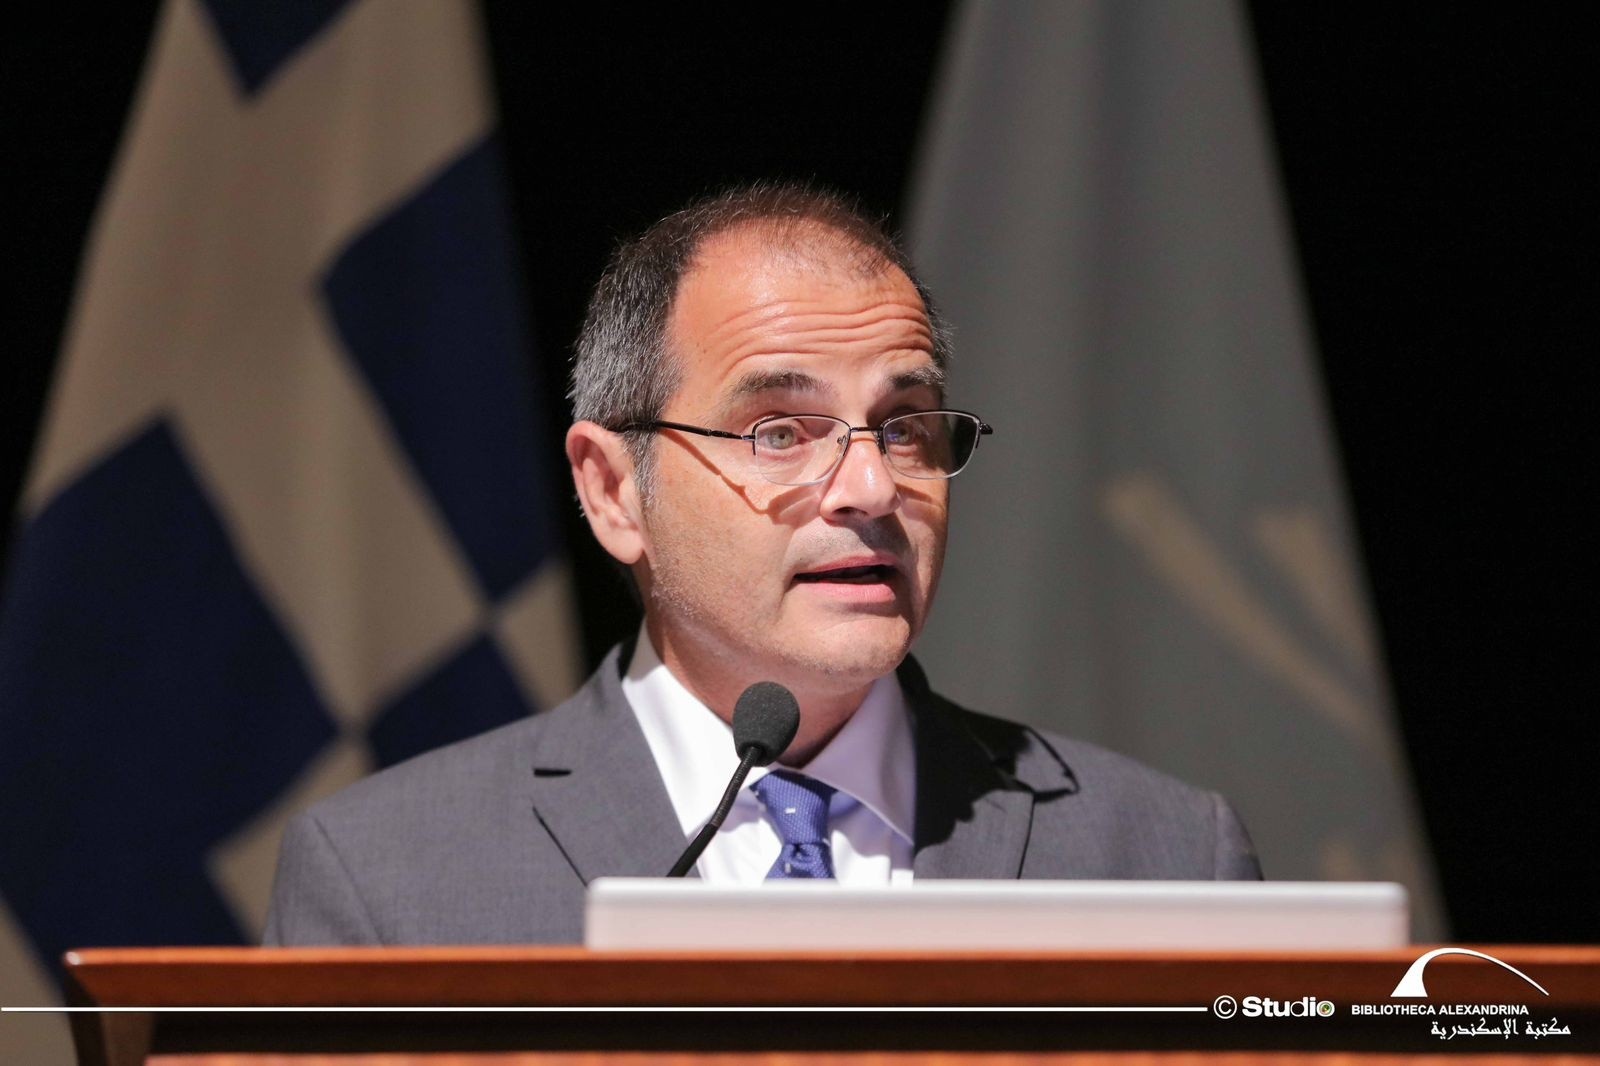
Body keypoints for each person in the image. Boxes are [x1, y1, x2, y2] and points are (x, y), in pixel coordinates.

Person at [264, 183, 1260, 947]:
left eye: (905, 425)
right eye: (780, 431)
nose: (870, 486)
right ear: (613, 492)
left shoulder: (1167, 856)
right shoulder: (390, 877)